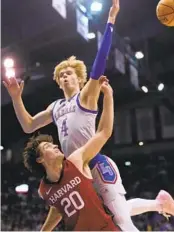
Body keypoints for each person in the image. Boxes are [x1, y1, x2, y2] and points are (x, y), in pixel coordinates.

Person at [3, 0, 174, 230]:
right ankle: (158, 203)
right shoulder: (55, 107)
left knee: (121, 219)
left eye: (69, 73)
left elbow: (100, 63)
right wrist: (16, 98)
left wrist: (111, 20)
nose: (64, 76)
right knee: (113, 210)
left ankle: (157, 203)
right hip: (73, 170)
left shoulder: (86, 96)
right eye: (61, 74)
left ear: (79, 78)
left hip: (94, 162)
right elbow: (28, 125)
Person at [23, 81, 120, 231]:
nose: (55, 145)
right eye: (48, 146)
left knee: (121, 213)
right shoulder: (44, 189)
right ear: (40, 159)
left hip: (105, 229)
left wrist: (108, 96)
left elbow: (103, 132)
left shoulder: (76, 161)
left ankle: (158, 203)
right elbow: (58, 206)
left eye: (53, 144)